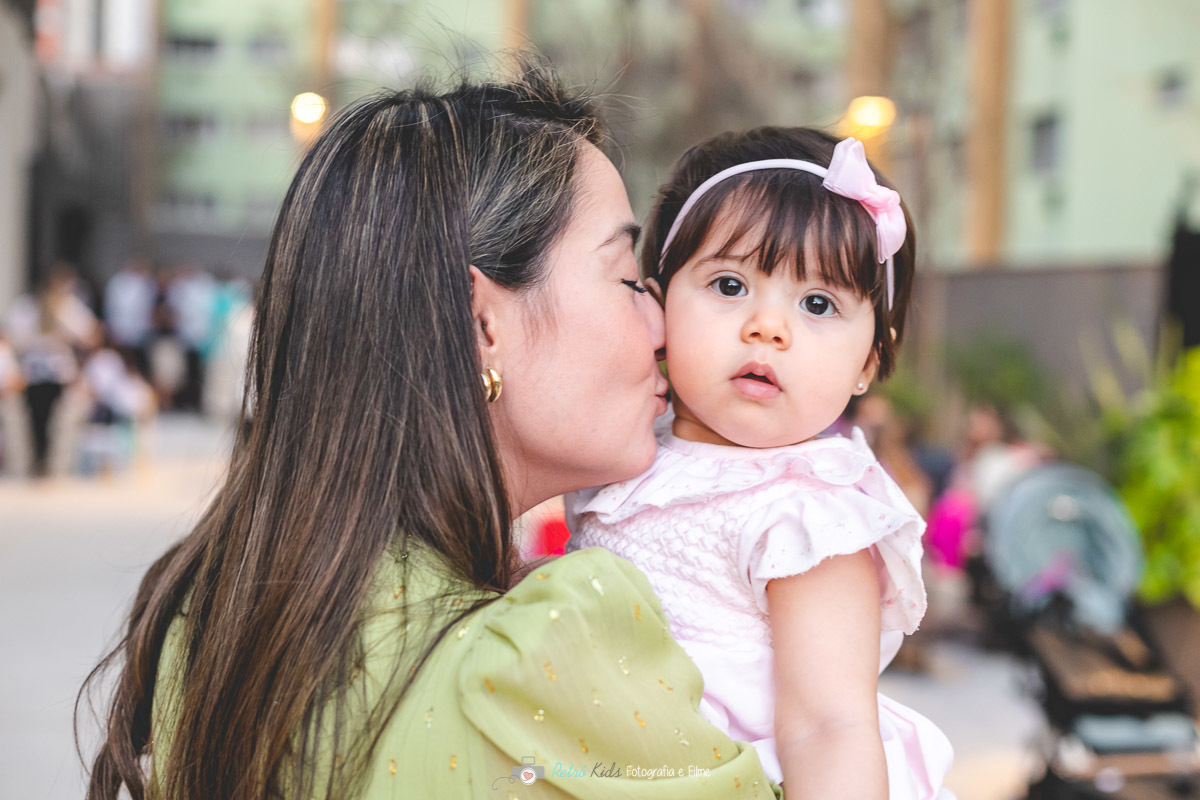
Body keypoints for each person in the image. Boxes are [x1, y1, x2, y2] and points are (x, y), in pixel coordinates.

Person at [80, 60, 783, 800]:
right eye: (626, 277)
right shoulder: (547, 649)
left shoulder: (217, 620)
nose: (660, 324)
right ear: (483, 324)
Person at [567, 127, 954, 799]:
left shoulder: (808, 514)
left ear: (869, 362)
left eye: (817, 304)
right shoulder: (623, 445)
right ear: (656, 306)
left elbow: (830, 727)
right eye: (729, 284)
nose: (767, 327)